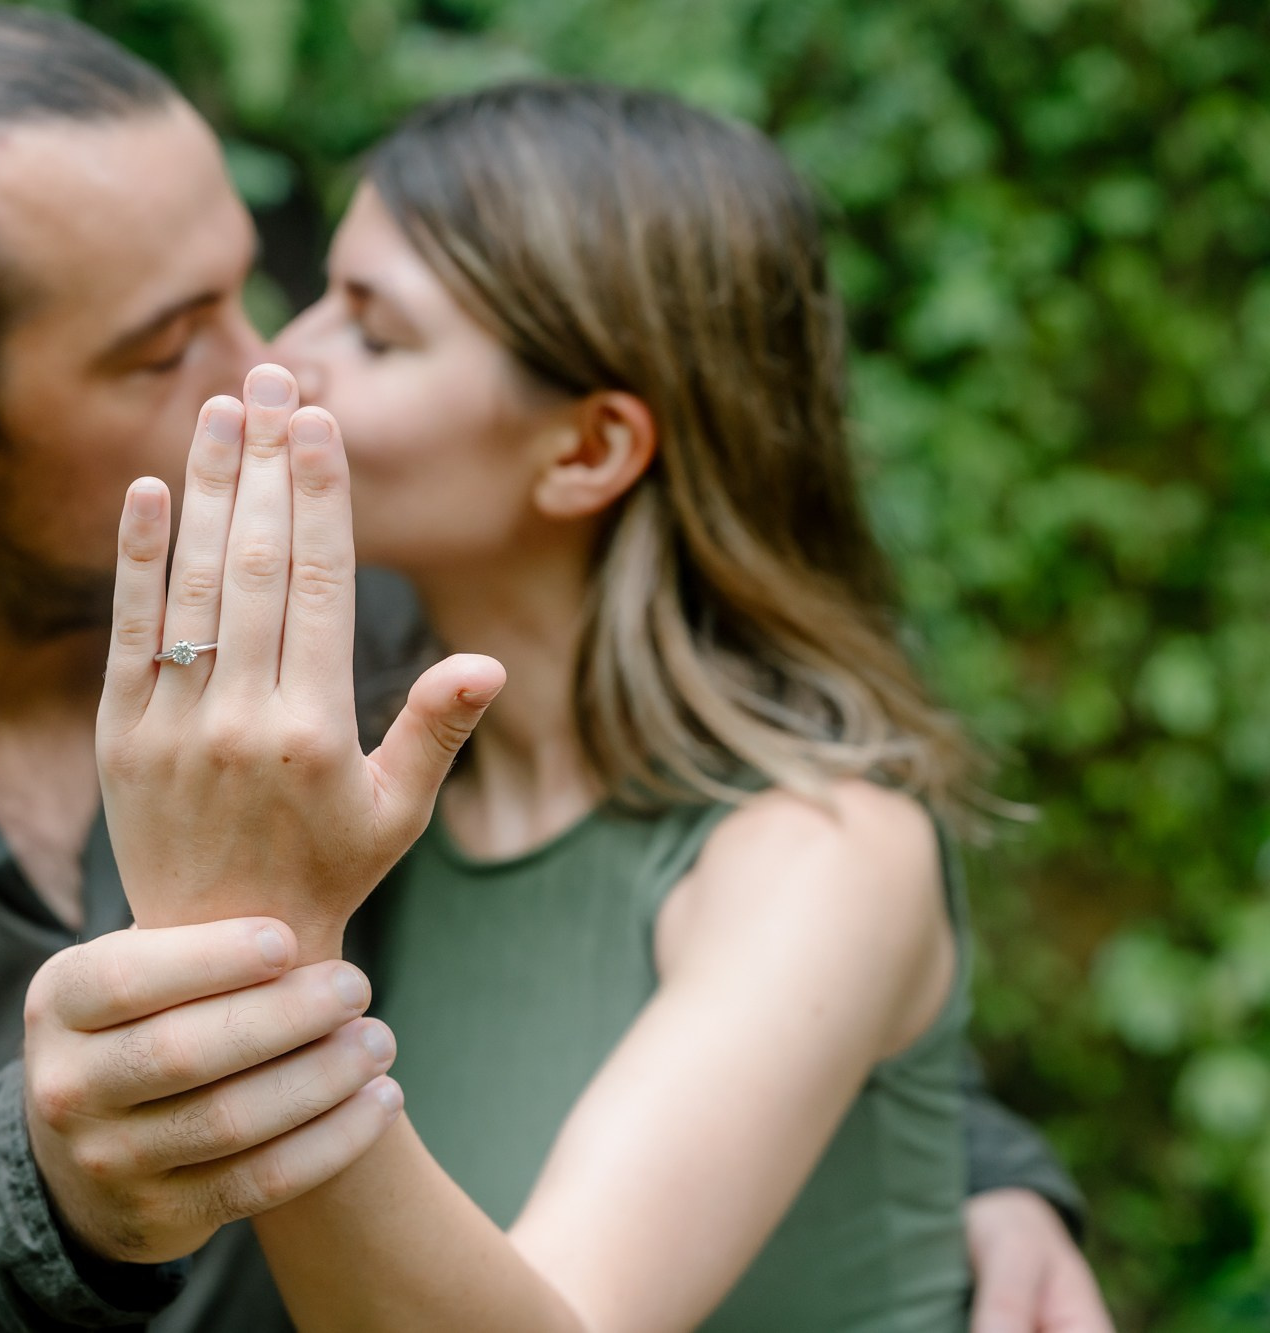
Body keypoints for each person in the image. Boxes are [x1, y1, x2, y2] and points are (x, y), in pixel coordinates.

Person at [0, 6, 1100, 1331]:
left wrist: (979, 1171)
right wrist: (58, 1177)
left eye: (265, 289)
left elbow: (731, 921)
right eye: (169, 347)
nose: (272, 377)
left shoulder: (390, 643)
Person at [96, 82, 1115, 1331]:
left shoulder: (820, 852)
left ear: (586, 451)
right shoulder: (374, 774)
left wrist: (259, 957)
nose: (280, 356)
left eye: (372, 331)